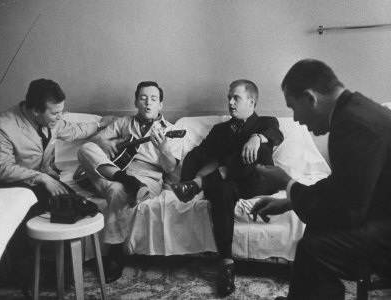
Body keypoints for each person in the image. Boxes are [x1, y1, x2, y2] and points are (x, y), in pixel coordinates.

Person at [251, 59, 391, 300]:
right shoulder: (353, 111)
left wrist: (286, 182)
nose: (295, 119)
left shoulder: (353, 125)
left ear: (310, 98)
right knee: (316, 232)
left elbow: (346, 213)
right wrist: (289, 201)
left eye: (294, 108)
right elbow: (343, 184)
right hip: (379, 214)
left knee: (313, 249)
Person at [0, 78, 113, 290]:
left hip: (41, 182)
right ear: (35, 111)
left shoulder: (52, 121)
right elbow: (1, 169)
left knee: (73, 206)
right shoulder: (2, 127)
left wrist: (102, 123)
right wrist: (43, 178)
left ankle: (63, 276)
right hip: (12, 189)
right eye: (55, 113)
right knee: (33, 222)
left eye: (61, 111)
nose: (60, 117)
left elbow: (75, 130)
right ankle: (29, 277)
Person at [171, 79, 284, 296]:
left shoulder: (266, 123)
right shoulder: (220, 130)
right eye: (229, 98)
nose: (230, 102)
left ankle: (203, 183)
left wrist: (257, 137)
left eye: (236, 98)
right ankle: (226, 265)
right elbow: (198, 155)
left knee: (258, 150)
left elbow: (276, 135)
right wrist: (184, 182)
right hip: (232, 185)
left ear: (251, 101)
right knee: (222, 190)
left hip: (257, 180)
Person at [77, 81, 183, 283]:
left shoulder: (171, 130)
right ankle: (124, 180)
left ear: (161, 104)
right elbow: (97, 140)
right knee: (85, 149)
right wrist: (107, 142)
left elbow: (170, 169)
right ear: (136, 102)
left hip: (147, 178)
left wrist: (163, 150)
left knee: (117, 190)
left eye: (153, 99)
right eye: (143, 98)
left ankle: (115, 254)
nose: (148, 103)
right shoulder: (124, 123)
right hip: (116, 171)